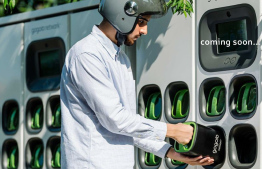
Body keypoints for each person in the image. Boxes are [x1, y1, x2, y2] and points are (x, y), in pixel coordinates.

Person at [60, 0, 214, 168]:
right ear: (121, 15)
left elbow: (128, 126)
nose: (144, 30)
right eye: (141, 22)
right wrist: (174, 131)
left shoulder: (121, 59)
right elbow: (115, 119)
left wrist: (171, 152)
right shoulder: (87, 55)